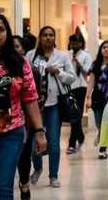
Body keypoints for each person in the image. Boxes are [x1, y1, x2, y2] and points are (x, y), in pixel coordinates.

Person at [0, 15, 46, 200]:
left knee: (2, 187)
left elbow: (30, 97)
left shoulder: (18, 63)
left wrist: (40, 130)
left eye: (1, 29)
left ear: (8, 32)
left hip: (10, 132)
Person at [26, 26, 75, 188]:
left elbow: (71, 78)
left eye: (51, 35)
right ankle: (38, 167)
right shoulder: (31, 55)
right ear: (40, 37)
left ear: (55, 38)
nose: (48, 38)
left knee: (53, 142)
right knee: (34, 142)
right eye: (45, 35)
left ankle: (53, 175)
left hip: (54, 104)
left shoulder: (62, 56)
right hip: (35, 105)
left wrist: (57, 72)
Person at [12, 36, 39, 200]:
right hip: (0, 122)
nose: (14, 50)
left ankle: (24, 182)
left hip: (25, 122)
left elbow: (35, 98)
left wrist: (37, 126)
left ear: (23, 49)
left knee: (23, 157)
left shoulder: (30, 69)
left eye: (17, 47)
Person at [86, 40, 108, 159]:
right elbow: (91, 81)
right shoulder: (95, 64)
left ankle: (102, 149)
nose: (106, 49)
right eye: (104, 47)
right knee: (99, 122)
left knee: (106, 122)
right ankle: (100, 134)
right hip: (97, 97)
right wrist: (88, 97)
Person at [66, 33, 92, 154]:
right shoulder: (66, 55)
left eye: (76, 43)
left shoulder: (86, 56)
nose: (74, 45)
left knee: (77, 115)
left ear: (81, 43)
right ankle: (80, 136)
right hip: (69, 88)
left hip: (81, 87)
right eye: (72, 43)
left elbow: (87, 73)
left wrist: (78, 63)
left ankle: (72, 143)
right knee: (73, 116)